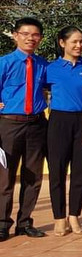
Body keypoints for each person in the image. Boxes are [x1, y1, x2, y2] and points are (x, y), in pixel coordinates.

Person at [0, 17, 49, 240]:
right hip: (9, 123)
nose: (31, 38)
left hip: (37, 124)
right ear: (15, 35)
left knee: (33, 176)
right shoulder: (4, 63)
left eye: (35, 35)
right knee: (5, 176)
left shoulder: (42, 64)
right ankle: (2, 223)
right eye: (26, 34)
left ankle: (25, 222)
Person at [46, 26, 82, 236]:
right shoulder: (50, 68)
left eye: (81, 41)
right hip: (58, 121)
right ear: (62, 43)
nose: (79, 45)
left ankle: (74, 215)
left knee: (80, 172)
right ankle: (59, 218)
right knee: (57, 172)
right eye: (74, 41)